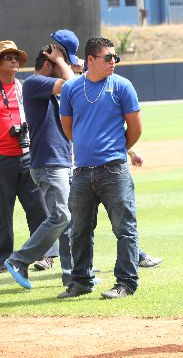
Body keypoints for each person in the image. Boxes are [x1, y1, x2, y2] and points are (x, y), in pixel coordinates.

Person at [59, 36, 142, 299]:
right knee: (80, 230)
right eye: (108, 57)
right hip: (82, 171)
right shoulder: (72, 88)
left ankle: (126, 283)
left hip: (114, 170)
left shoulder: (122, 86)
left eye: (115, 57)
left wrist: (116, 149)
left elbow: (136, 128)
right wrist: (87, 147)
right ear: (91, 60)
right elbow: (69, 128)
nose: (113, 62)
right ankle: (81, 281)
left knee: (124, 228)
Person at [3, 34, 81, 289]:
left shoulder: (44, 85)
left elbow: (81, 86)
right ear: (48, 63)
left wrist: (72, 64)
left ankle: (74, 275)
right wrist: (61, 61)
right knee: (61, 216)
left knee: (67, 220)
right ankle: (19, 259)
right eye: (59, 62)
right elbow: (74, 86)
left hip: (58, 158)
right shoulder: (36, 82)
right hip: (46, 162)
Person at [0, 40, 50, 274]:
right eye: (8, 57)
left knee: (38, 208)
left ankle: (44, 255)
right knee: (2, 211)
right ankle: (4, 258)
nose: (13, 60)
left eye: (15, 57)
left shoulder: (23, 87)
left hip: (27, 155)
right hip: (2, 158)